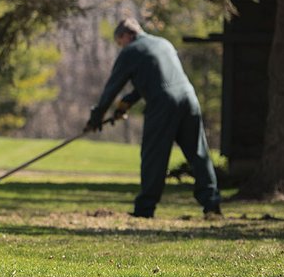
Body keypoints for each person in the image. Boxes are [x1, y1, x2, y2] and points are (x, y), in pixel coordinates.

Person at [86, 17, 222, 219]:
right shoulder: (163, 43)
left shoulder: (131, 51)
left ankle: (145, 209)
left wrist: (95, 118)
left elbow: (111, 88)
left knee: (154, 156)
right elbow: (158, 80)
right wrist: (126, 104)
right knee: (198, 153)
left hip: (162, 104)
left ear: (126, 35)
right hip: (189, 99)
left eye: (119, 42)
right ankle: (212, 205)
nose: (120, 46)